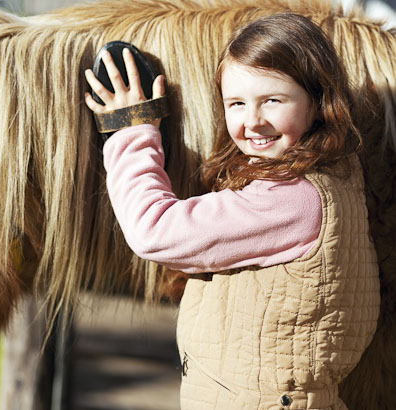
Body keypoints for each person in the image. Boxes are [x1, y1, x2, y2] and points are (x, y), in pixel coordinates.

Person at [84, 13, 380, 410]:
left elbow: (153, 231)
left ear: (318, 102)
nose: (252, 122)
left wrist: (130, 131)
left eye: (273, 100)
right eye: (237, 103)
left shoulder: (292, 200)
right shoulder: (335, 171)